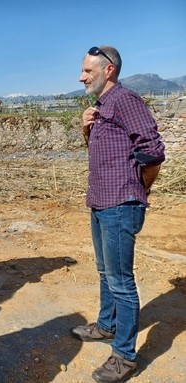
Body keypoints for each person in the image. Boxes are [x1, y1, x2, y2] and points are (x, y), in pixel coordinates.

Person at [71, 46, 165, 383]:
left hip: (120, 205)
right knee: (104, 271)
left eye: (87, 71)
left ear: (108, 70)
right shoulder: (100, 106)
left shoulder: (126, 100)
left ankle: (125, 356)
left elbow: (153, 151)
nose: (81, 77)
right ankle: (106, 326)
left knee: (122, 283)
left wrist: (139, 190)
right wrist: (85, 130)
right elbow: (104, 151)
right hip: (99, 202)